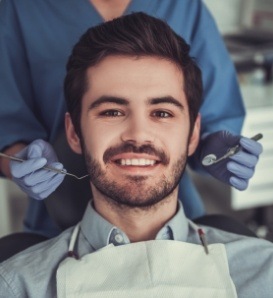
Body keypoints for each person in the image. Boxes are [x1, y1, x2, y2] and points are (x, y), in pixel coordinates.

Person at [0, 13, 270, 298]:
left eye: (162, 113)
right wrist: (13, 154)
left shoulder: (264, 271)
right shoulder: (18, 285)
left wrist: (209, 147)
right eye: (112, 112)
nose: (138, 134)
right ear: (74, 133)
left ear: (193, 133)